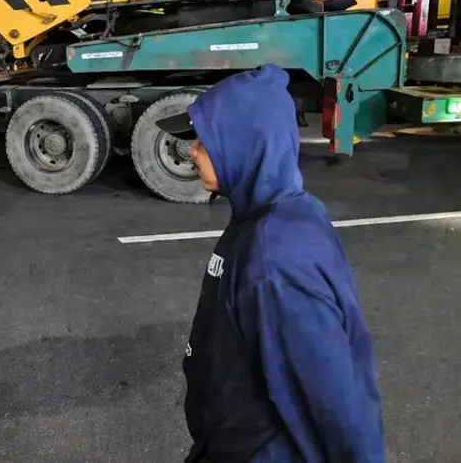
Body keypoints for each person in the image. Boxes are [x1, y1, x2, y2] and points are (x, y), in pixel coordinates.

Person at [156, 64, 384, 463]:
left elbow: (333, 399)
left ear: (246, 142)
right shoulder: (283, 213)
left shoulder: (272, 259)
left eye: (205, 141)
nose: (191, 150)